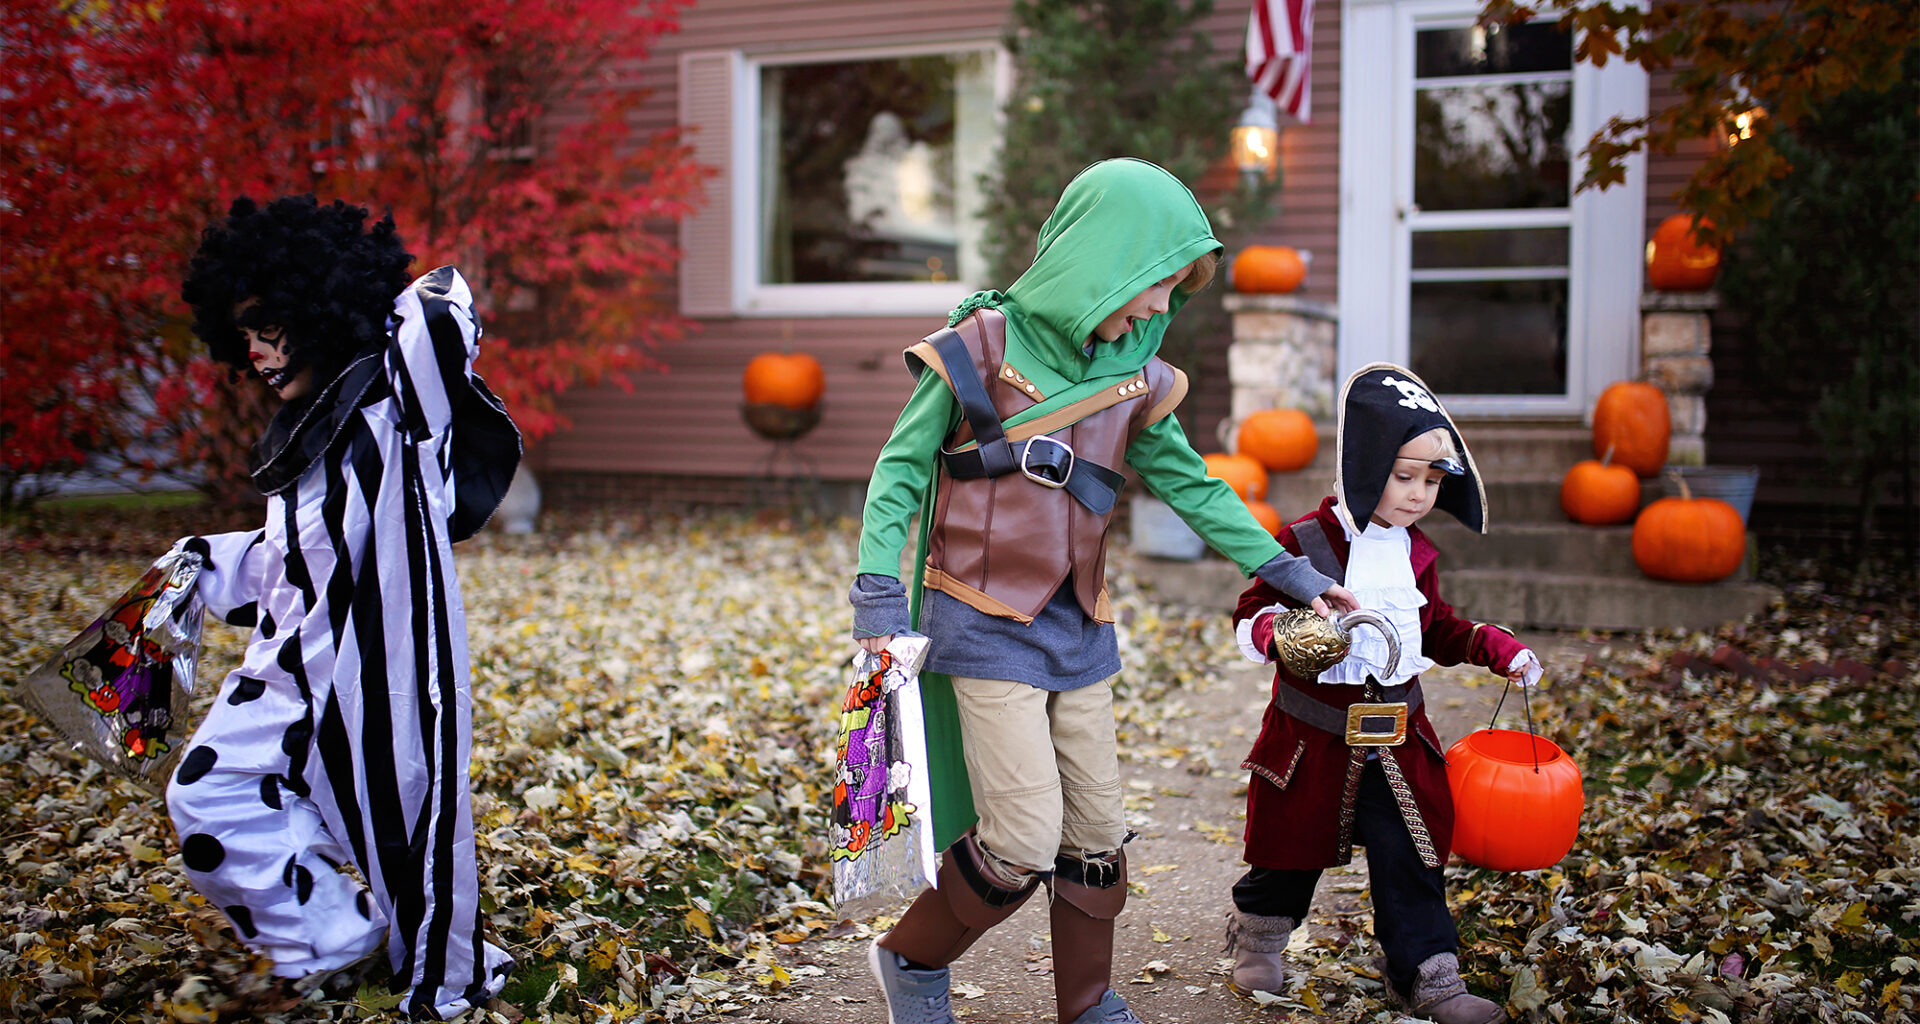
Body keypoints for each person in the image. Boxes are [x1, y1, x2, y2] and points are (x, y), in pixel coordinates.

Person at [849, 158, 1359, 1024]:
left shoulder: (1140, 378)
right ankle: (911, 959)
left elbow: (1197, 489)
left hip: (1080, 626)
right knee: (1018, 836)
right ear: (1104, 262)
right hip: (982, 618)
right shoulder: (977, 348)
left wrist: (1295, 577)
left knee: (1095, 833)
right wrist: (876, 596)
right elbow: (899, 470)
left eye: (1174, 288)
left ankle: (1086, 1004)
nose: (1163, 306)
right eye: (1157, 282)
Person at [166, 195, 521, 1018]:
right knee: (206, 795)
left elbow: (441, 307)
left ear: (318, 307)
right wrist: (193, 568)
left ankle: (446, 981)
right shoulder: (304, 437)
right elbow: (297, 561)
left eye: (269, 324)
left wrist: (360, 305)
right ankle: (330, 938)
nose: (253, 350)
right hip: (287, 673)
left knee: (408, 840)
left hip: (383, 676)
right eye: (242, 334)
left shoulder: (401, 412)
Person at [1223, 363, 1543, 1024]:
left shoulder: (1416, 554)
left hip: (1399, 738)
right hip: (1311, 738)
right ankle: (1258, 938)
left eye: (1432, 479)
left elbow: (1438, 628)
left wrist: (1495, 647)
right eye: (1405, 476)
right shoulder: (1304, 543)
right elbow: (1249, 612)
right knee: (1289, 850)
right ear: (1361, 463)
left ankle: (1425, 975)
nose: (1419, 493)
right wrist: (1281, 634)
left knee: (1412, 856)